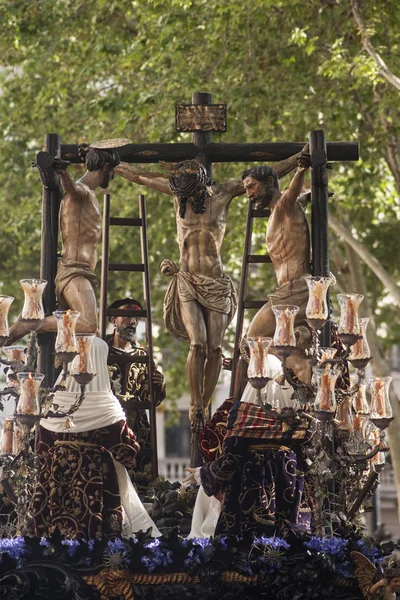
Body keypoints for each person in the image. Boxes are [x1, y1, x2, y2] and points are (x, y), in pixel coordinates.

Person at [116, 154, 301, 432]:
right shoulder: (177, 193)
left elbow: (269, 174)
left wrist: (300, 159)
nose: (184, 198)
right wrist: (113, 162)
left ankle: (205, 403)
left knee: (214, 347)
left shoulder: (224, 192)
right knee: (198, 344)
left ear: (201, 185)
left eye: (189, 193)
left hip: (216, 282)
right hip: (187, 280)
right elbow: (140, 175)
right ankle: (195, 403)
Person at [30, 336, 160, 540]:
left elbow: (41, 447)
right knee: (95, 541)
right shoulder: (106, 406)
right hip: (95, 482)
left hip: (55, 480)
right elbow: (127, 451)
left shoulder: (55, 402)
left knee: (50, 539)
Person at [185, 354, 312, 538]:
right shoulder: (296, 418)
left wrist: (204, 473)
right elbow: (307, 454)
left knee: (247, 547)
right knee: (291, 542)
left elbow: (231, 457)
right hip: (289, 478)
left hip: (252, 484)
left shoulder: (245, 416)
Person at [5, 145, 120, 344]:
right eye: (113, 172)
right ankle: (30, 322)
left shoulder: (90, 195)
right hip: (73, 272)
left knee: (94, 339)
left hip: (82, 272)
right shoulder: (82, 191)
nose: (113, 177)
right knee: (88, 324)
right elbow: (72, 188)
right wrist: (62, 173)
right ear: (106, 167)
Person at [240, 149, 313, 385]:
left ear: (270, 182)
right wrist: (307, 194)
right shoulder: (278, 212)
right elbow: (297, 197)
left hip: (296, 290)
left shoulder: (284, 206)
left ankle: (299, 364)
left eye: (251, 186)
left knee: (253, 339)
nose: (248, 194)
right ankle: (297, 362)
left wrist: (301, 169)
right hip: (288, 290)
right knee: (259, 340)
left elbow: (291, 195)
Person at [106, 298, 166, 485]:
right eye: (127, 316)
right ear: (114, 319)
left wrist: (158, 384)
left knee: (141, 476)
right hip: (109, 422)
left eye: (136, 319)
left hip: (137, 428)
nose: (132, 322)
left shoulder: (143, 355)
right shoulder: (101, 350)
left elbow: (152, 399)